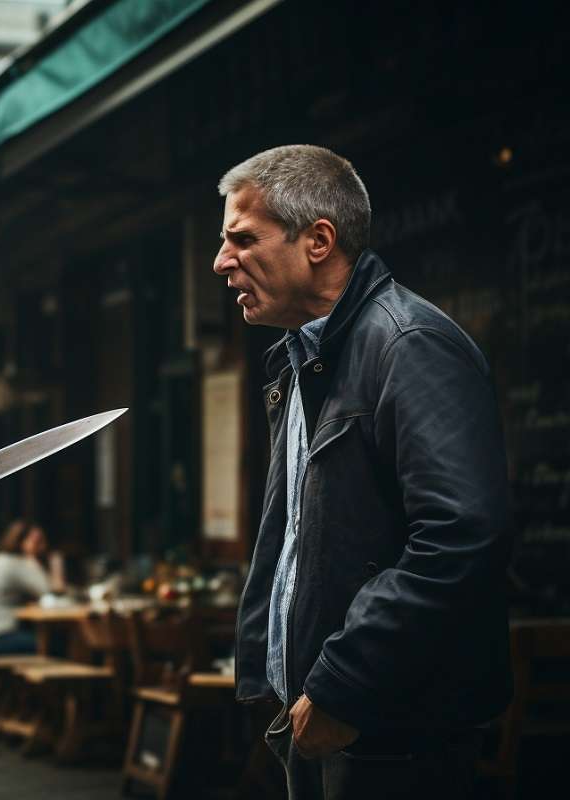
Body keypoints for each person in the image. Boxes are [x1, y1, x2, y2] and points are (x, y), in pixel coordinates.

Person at [215, 145, 512, 799]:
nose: (222, 261)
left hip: (390, 732)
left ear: (318, 241)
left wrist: (344, 682)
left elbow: (460, 535)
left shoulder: (410, 345)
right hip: (325, 719)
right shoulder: (301, 359)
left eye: (243, 239)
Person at [0, 520, 62, 656]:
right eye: (38, 541)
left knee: (50, 641)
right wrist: (55, 564)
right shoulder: (14, 563)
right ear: (22, 541)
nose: (43, 547)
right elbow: (49, 590)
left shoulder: (1, 559)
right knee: (56, 645)